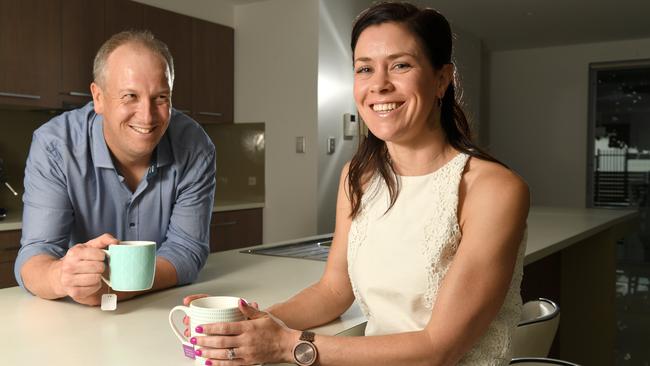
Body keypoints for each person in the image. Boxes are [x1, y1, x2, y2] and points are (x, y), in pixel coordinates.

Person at [183, 2, 529, 365]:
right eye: (365, 69)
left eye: (400, 65)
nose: (379, 84)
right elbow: (333, 291)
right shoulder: (357, 176)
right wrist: (252, 323)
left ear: (442, 79)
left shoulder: (494, 190)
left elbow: (439, 349)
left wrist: (287, 345)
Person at [14, 30, 216, 306]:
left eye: (160, 98)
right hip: (74, 319)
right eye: (130, 96)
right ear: (98, 97)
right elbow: (35, 254)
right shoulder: (54, 146)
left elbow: (187, 250)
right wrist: (60, 277)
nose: (147, 116)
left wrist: (115, 289)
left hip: (160, 310)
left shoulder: (195, 147)